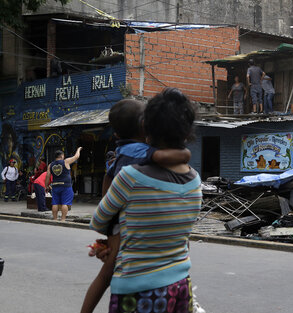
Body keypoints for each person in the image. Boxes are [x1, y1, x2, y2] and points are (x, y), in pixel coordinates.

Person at [89, 88, 202, 313]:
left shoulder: (131, 177)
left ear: (147, 130)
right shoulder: (195, 181)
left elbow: (99, 219)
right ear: (187, 132)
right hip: (180, 286)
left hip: (137, 292)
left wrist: (113, 244)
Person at [45, 148, 82, 221]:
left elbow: (47, 176)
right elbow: (76, 156)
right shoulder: (66, 162)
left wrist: (46, 186)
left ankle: (55, 219)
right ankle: (63, 219)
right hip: (66, 186)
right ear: (62, 156)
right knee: (65, 203)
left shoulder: (50, 165)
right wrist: (78, 149)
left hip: (55, 186)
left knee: (55, 203)